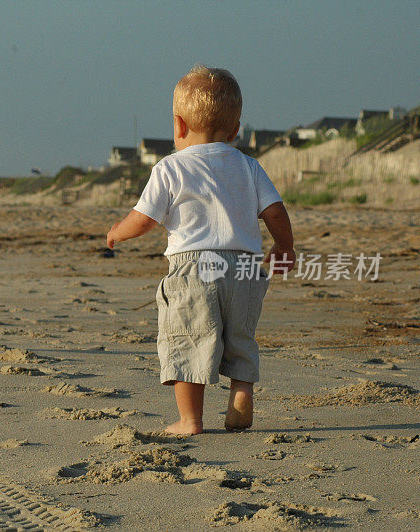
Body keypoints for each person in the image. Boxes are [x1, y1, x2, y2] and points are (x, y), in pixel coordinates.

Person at [106, 65, 296, 435]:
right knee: (239, 336)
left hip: (194, 269)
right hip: (245, 269)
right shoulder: (249, 166)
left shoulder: (171, 168)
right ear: (236, 130)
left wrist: (117, 233)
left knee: (188, 339)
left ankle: (190, 420)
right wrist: (284, 246)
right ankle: (241, 390)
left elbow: (144, 219)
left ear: (178, 125)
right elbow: (275, 211)